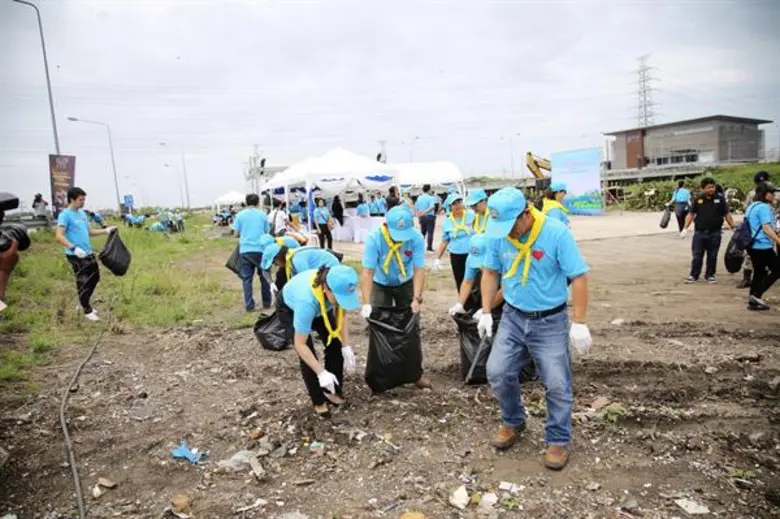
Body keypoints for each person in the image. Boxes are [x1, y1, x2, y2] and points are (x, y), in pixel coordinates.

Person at [477, 187, 591, 470]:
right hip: (514, 317)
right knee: (498, 371)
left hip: (549, 321)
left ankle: (557, 439)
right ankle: (514, 421)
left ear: (526, 215)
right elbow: (490, 272)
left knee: (556, 382)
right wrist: (487, 310)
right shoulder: (498, 235)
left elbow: (578, 276)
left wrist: (578, 322)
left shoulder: (555, 233)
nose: (507, 233)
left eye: (511, 226)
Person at [359, 206, 431, 389]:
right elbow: (367, 272)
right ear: (386, 225)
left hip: (405, 283)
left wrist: (417, 298)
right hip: (380, 283)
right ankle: (381, 374)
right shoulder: (374, 238)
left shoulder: (415, 237)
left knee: (411, 327)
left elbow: (419, 269)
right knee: (379, 327)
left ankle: (414, 374)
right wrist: (366, 302)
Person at [276, 265, 360, 417]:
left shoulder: (338, 284)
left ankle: (332, 391)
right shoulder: (306, 302)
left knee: (335, 343)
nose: (342, 302)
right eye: (340, 298)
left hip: (321, 306)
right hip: (290, 308)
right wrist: (321, 372)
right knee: (308, 354)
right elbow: (300, 344)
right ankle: (318, 400)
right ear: (326, 289)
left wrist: (346, 346)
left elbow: (343, 315)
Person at [55, 187, 116, 321]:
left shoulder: (82, 214)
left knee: (95, 277)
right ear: (72, 199)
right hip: (75, 254)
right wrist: (73, 248)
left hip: (87, 252)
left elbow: (89, 232)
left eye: (84, 199)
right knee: (83, 280)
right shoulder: (65, 215)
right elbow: (59, 236)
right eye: (80, 199)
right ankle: (87, 310)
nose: (83, 202)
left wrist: (106, 231)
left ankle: (83, 302)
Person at [681, 177, 735, 284]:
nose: (711, 189)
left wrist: (732, 226)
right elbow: (691, 214)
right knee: (697, 256)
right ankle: (694, 275)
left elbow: (726, 214)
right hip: (700, 233)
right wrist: (685, 228)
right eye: (709, 187)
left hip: (715, 232)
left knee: (712, 255)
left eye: (713, 187)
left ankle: (710, 275)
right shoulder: (697, 199)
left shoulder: (720, 199)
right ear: (703, 188)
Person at [232, 194, 272, 312]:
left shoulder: (240, 215)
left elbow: (235, 234)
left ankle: (249, 306)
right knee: (264, 277)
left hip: (245, 250)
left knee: (247, 279)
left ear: (246, 202)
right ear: (258, 202)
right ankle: (267, 303)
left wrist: (244, 234)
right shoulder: (262, 214)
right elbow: (267, 231)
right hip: (261, 250)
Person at [744, 182, 780, 310]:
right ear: (765, 194)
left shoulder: (752, 206)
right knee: (777, 269)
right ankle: (757, 295)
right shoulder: (764, 207)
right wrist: (778, 240)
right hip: (762, 245)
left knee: (759, 272)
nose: (774, 195)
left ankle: (753, 300)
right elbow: (766, 228)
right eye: (772, 193)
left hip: (752, 245)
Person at [448, 234, 503, 315]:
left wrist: (487, 309)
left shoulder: (502, 262)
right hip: (490, 280)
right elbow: (467, 282)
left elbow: (504, 290)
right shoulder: (471, 259)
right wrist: (460, 304)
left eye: (481, 263)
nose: (479, 267)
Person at [433, 193, 475, 292]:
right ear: (450, 207)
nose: (458, 205)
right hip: (456, 256)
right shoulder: (447, 222)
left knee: (475, 280)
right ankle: (465, 304)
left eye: (459, 202)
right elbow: (444, 241)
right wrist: (437, 258)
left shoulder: (473, 216)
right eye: (454, 203)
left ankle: (478, 305)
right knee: (460, 280)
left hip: (473, 254)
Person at [738, 171, 771, 288]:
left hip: (759, 227)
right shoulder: (773, 192)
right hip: (764, 227)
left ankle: (749, 278)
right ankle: (755, 277)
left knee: (752, 253)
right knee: (762, 252)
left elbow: (746, 209)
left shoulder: (753, 193)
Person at [262, 243, 340, 291]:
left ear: (278, 256)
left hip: (331, 267)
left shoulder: (297, 259)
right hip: (321, 270)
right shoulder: (290, 260)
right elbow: (295, 281)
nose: (275, 265)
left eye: (273, 262)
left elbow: (307, 281)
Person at [414, 185, 438, 251]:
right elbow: (432, 207)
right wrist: (425, 212)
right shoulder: (431, 198)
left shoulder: (419, 198)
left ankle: (419, 246)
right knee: (430, 232)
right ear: (429, 190)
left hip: (421, 217)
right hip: (430, 217)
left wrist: (418, 214)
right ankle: (429, 247)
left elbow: (416, 207)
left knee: (422, 232)